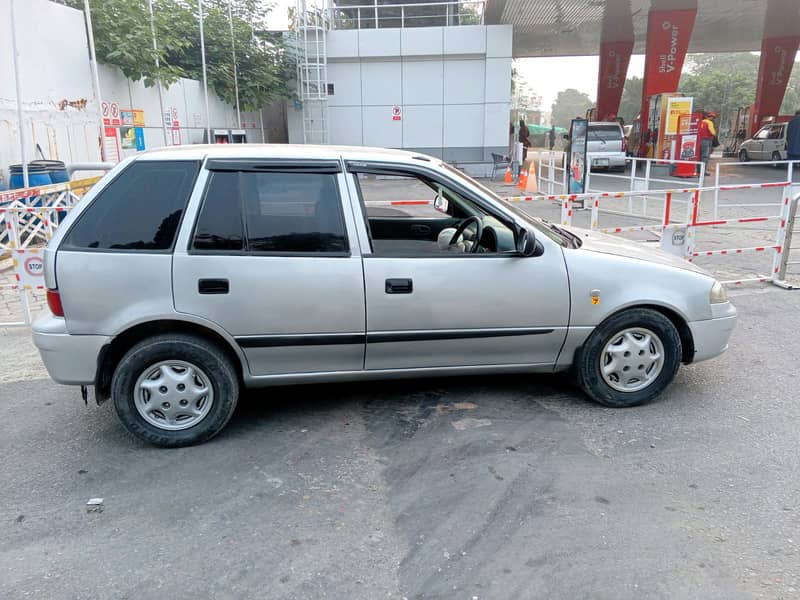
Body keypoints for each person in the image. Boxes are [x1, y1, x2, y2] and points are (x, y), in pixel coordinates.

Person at [697, 111, 717, 175]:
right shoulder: (710, 123)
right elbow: (713, 132)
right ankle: (703, 171)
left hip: (700, 140)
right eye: (713, 117)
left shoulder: (701, 122)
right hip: (707, 140)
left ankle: (698, 170)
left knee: (700, 156)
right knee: (705, 156)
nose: (713, 119)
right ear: (711, 117)